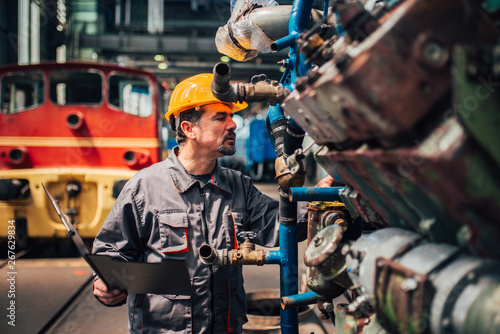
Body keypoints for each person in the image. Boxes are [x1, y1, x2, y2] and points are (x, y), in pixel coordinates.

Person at [92, 73, 335, 333]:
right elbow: (111, 251)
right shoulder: (144, 187)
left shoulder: (238, 185)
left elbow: (282, 226)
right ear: (189, 129)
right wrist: (105, 284)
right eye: (221, 117)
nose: (232, 125)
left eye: (231, 117)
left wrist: (316, 202)